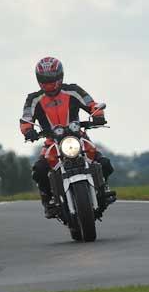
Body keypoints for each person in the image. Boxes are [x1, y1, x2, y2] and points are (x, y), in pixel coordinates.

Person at [19, 57, 115, 218]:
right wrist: (28, 130)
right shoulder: (33, 99)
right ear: (38, 80)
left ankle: (103, 188)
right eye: (44, 80)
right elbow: (26, 118)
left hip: (78, 137)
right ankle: (48, 200)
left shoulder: (73, 90)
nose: (48, 83)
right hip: (51, 143)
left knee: (104, 163)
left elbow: (91, 104)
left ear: (60, 76)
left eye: (51, 79)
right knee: (39, 170)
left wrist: (98, 114)